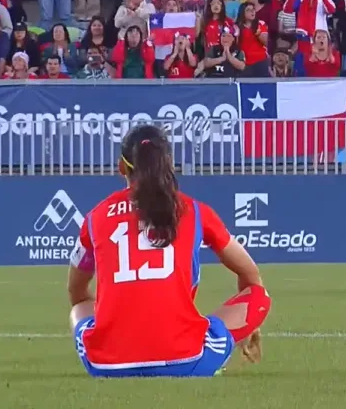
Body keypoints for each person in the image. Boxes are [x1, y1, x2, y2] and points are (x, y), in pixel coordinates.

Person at [67, 124, 272, 378]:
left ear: (121, 167)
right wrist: (248, 328)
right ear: (170, 164)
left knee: (79, 309)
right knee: (259, 295)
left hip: (106, 364)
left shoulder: (95, 217)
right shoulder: (194, 210)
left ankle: (113, 343)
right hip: (187, 359)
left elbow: (76, 292)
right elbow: (250, 274)